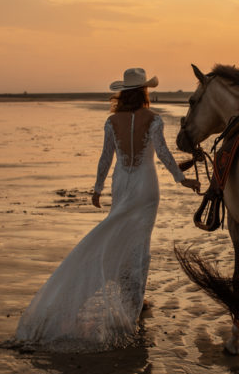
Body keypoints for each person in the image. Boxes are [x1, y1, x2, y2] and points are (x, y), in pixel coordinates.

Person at [15, 68, 199, 351]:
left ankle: (133, 297)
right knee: (139, 244)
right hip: (146, 186)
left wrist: (98, 188)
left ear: (123, 93)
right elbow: (162, 152)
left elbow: (106, 157)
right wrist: (181, 179)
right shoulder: (154, 119)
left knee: (118, 237)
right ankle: (134, 302)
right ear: (145, 92)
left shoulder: (112, 121)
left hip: (122, 183)